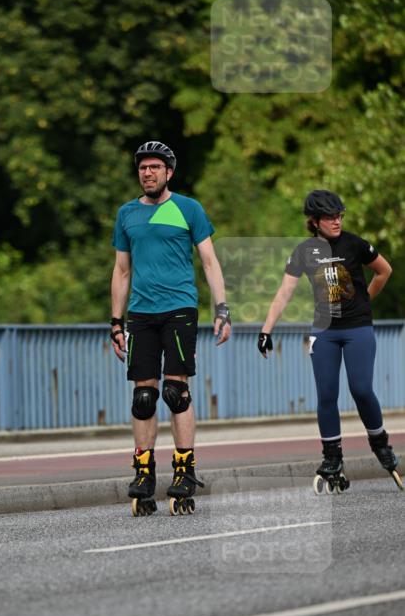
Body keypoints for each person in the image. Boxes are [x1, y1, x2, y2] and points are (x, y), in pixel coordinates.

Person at [110, 140, 231, 515]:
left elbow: (209, 262)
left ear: (169, 172)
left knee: (176, 392)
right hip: (141, 314)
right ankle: (143, 473)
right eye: (142, 168)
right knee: (143, 396)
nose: (147, 173)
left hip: (179, 309)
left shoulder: (188, 208)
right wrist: (115, 322)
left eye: (154, 167)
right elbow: (122, 270)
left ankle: (184, 470)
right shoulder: (127, 214)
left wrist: (221, 308)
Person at [258, 189, 400, 490]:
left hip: (358, 328)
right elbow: (284, 293)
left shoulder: (355, 244)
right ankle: (332, 456)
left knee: (361, 389)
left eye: (339, 216)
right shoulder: (303, 252)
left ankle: (380, 442)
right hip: (324, 332)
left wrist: (365, 299)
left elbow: (384, 271)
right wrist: (266, 330)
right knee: (326, 394)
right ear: (314, 221)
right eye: (329, 217)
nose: (336, 221)